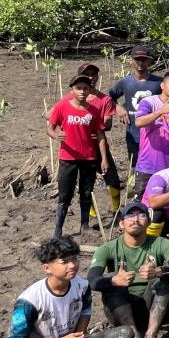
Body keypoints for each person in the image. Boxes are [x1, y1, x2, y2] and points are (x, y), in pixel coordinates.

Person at [8, 237, 134, 338]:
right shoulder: (29, 300)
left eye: (75, 258)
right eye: (65, 262)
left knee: (125, 333)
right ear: (47, 268)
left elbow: (85, 311)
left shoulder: (82, 285)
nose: (73, 265)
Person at [87, 201, 169, 338]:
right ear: (121, 223)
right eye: (130, 216)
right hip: (120, 310)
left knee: (164, 277)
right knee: (109, 279)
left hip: (152, 306)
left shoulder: (161, 243)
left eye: (141, 215)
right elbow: (92, 280)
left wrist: (159, 271)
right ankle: (135, 337)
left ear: (148, 222)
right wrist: (114, 281)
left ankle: (151, 335)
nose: (136, 220)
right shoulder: (107, 248)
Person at [47, 73, 111, 238]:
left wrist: (103, 158)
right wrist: (56, 135)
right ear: (72, 90)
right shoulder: (62, 107)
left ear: (90, 90)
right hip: (68, 157)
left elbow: (101, 136)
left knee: (86, 191)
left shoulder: (94, 111)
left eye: (85, 88)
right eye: (78, 88)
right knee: (65, 194)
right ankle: (58, 229)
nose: (82, 91)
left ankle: (84, 225)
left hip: (88, 158)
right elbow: (50, 128)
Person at [67, 62, 123, 215]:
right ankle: (91, 214)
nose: (91, 77)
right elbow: (54, 115)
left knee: (113, 180)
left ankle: (116, 210)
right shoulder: (70, 98)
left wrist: (94, 127)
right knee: (85, 183)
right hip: (80, 149)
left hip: (99, 146)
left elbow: (108, 124)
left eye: (94, 74)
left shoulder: (104, 100)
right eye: (87, 74)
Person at [133, 70, 169, 199]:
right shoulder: (149, 102)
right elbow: (138, 122)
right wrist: (160, 112)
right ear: (162, 85)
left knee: (164, 204)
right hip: (148, 165)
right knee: (140, 203)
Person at [108, 45, 163, 169]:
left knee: (155, 168)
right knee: (135, 168)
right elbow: (109, 98)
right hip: (133, 134)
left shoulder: (159, 82)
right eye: (137, 59)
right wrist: (118, 108)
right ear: (131, 60)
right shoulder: (125, 82)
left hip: (155, 134)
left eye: (144, 59)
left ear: (149, 61)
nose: (140, 62)